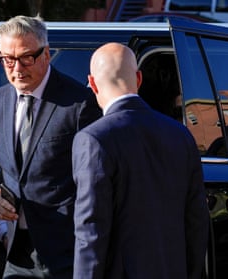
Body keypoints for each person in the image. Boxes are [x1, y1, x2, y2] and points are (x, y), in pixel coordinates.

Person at [0, 15, 101, 279]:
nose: (16, 68)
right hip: (15, 249)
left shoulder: (79, 104)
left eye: (26, 57)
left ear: (46, 54)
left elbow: (94, 177)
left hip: (67, 249)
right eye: (7, 59)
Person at [71, 42, 209, 279]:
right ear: (138, 78)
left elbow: (91, 231)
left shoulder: (93, 139)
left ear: (92, 83)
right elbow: (196, 222)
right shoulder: (180, 134)